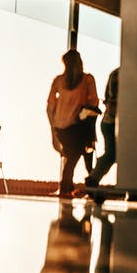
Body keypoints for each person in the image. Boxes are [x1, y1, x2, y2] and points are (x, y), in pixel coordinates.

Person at [46, 49, 100, 198]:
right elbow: (94, 101)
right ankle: (69, 187)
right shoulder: (87, 79)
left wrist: (53, 128)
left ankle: (70, 187)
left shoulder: (58, 81)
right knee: (78, 154)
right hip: (78, 125)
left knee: (73, 154)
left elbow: (50, 106)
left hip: (60, 127)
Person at [85, 66, 119, 187]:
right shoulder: (121, 75)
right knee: (112, 154)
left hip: (108, 121)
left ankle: (93, 178)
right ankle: (93, 179)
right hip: (113, 122)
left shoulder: (115, 74)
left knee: (112, 154)